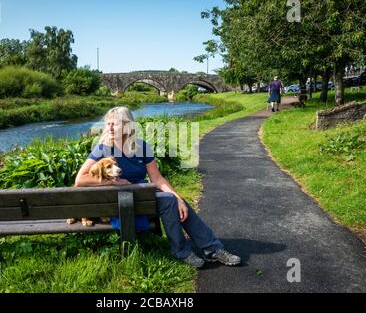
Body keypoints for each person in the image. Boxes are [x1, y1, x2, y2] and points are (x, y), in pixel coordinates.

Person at [74, 106, 241, 268]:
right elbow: (80, 179)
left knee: (173, 201)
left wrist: (178, 198)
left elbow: (157, 178)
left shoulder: (141, 147)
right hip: (116, 200)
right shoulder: (102, 148)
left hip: (141, 195)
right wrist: (111, 182)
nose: (109, 127)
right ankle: (186, 251)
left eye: (114, 124)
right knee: (169, 201)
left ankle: (210, 249)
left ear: (127, 126)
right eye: (107, 124)